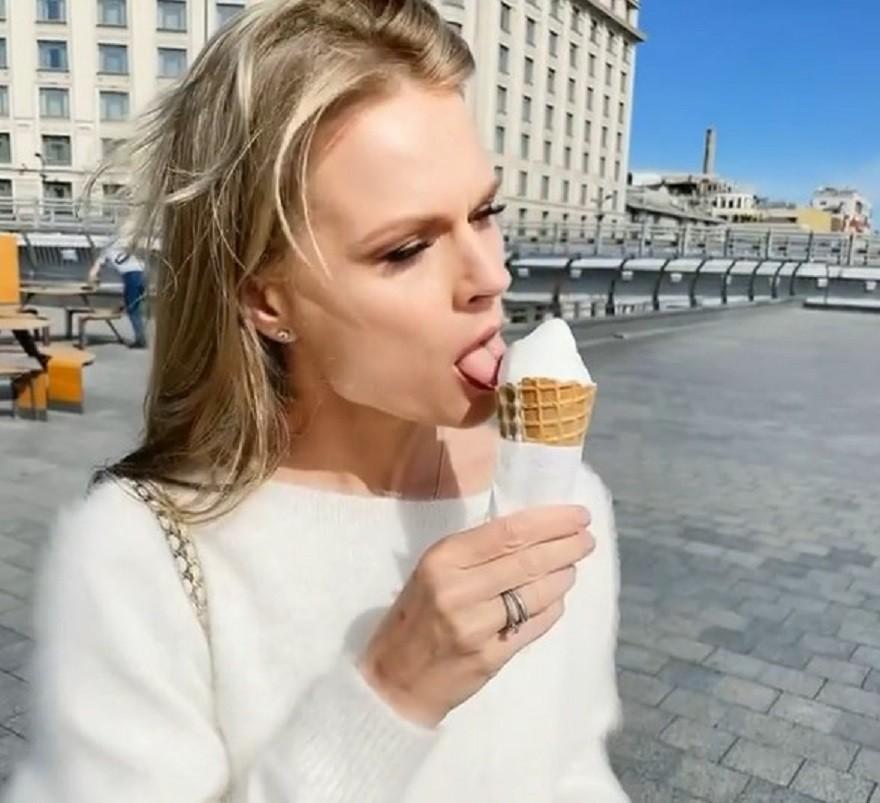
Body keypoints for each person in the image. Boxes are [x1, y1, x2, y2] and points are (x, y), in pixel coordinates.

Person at [4, 2, 627, 801]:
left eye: (485, 213)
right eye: (407, 248)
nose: (491, 277)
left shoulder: (573, 502)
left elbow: (575, 770)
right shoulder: (140, 556)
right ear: (267, 299)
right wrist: (391, 692)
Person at [87, 241, 148, 349]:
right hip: (142, 273)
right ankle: (143, 336)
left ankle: (141, 340)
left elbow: (94, 271)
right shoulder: (120, 246)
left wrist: (91, 282)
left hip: (132, 275)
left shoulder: (105, 252)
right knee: (136, 306)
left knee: (132, 309)